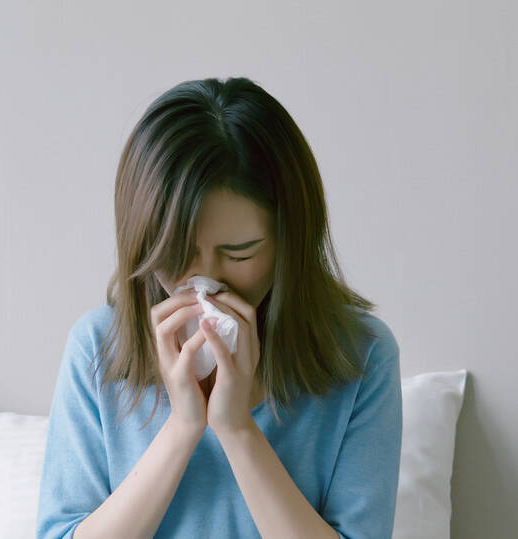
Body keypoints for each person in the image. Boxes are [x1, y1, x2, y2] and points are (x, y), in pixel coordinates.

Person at [35, 76, 402, 539]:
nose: (204, 281)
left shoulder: (360, 356)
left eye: (240, 254)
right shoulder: (98, 347)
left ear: (290, 240)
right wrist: (184, 426)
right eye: (176, 254)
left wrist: (236, 430)